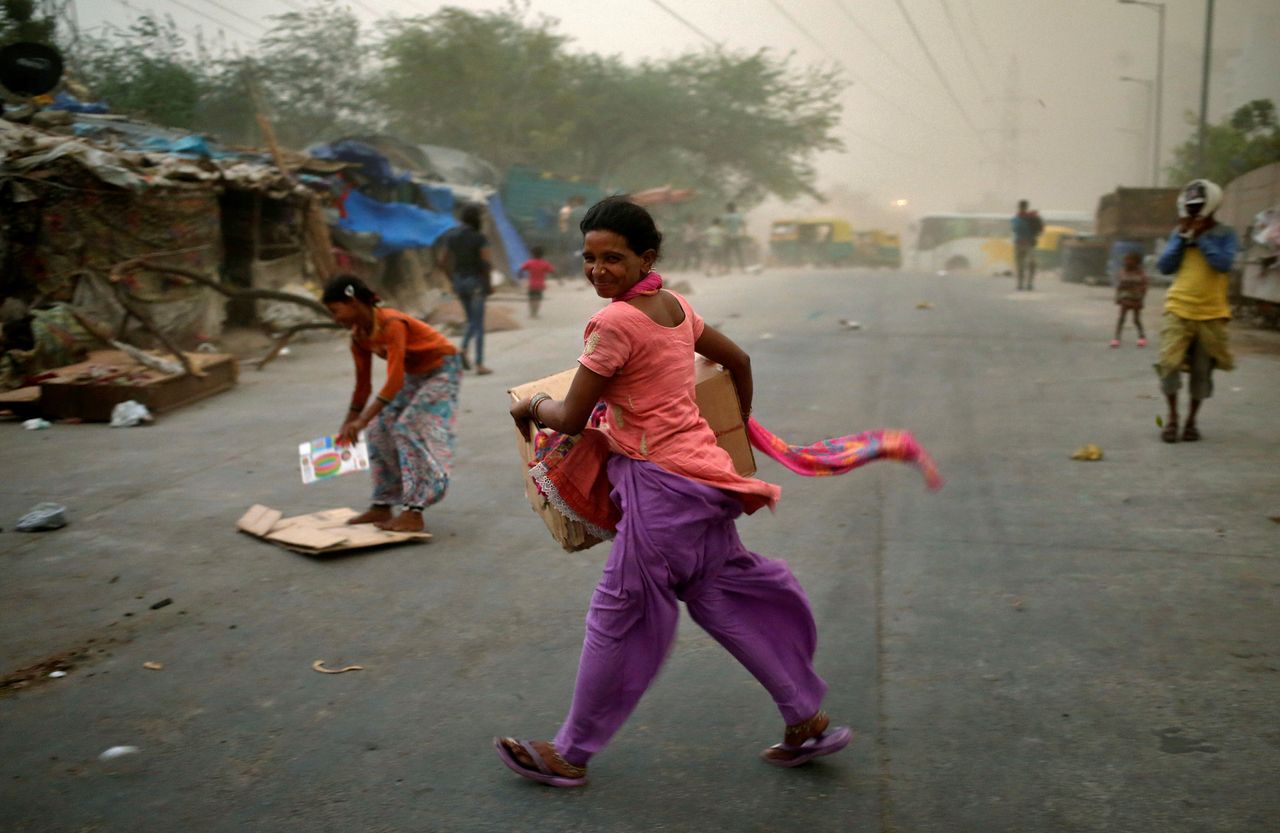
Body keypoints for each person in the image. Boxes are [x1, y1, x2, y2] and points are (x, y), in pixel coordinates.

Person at [497, 197, 852, 788]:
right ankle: (806, 719)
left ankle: (570, 753)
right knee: (722, 596)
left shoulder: (613, 323)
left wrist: (530, 405)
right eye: (588, 257)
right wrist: (737, 428)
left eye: (613, 258)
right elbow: (736, 359)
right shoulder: (675, 308)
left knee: (620, 614)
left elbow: (571, 414)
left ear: (647, 258)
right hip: (707, 478)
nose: (597, 270)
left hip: (661, 487)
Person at [322, 275, 461, 533]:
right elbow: (362, 386)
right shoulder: (359, 336)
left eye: (335, 310)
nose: (335, 318)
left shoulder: (392, 323)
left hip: (442, 369)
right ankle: (383, 502)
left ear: (352, 301)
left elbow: (394, 380)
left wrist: (361, 418)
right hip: (416, 374)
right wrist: (349, 422)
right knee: (378, 429)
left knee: (407, 428)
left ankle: (414, 512)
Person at [1154, 179, 1239, 443]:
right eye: (1190, 207)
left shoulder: (1226, 234)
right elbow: (1165, 266)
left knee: (1202, 372)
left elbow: (1223, 264)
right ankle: (1172, 419)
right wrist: (1182, 238)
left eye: (1198, 206)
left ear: (1211, 206)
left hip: (1212, 313)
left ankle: (1191, 422)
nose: (1193, 212)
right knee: (1169, 365)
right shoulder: (1178, 232)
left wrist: (1201, 239)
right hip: (1178, 307)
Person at [438, 204, 493, 375]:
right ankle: (477, 362)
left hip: (460, 281)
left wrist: (452, 280)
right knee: (478, 324)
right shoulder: (479, 238)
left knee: (470, 321)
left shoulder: (451, 237)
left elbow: (442, 262)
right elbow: (485, 263)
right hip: (476, 283)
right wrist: (488, 284)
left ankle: (463, 352)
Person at [1111, 250, 1148, 348]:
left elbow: (1144, 286)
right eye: (1126, 260)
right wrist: (1117, 297)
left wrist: (1141, 298)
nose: (1127, 262)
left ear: (1136, 262)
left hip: (1136, 299)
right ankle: (1116, 338)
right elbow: (1119, 286)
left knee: (1136, 320)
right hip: (1125, 298)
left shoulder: (1140, 273)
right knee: (1121, 319)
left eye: (1130, 260)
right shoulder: (1122, 272)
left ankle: (1142, 337)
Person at [1011, 199, 1044, 290]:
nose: (1022, 208)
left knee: (1026, 264)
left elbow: (1014, 229)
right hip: (1025, 243)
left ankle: (1025, 284)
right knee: (1025, 264)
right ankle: (1024, 284)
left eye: (1022, 206)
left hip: (1023, 243)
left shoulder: (1020, 218)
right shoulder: (1026, 217)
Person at [519, 245, 558, 319]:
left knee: (531, 299)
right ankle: (535, 313)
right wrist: (559, 279)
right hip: (540, 285)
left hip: (531, 284)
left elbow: (521, 269)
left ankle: (532, 312)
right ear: (542, 254)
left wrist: (520, 277)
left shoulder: (529, 262)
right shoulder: (544, 263)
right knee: (538, 299)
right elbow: (552, 271)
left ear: (532, 254)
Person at [722, 202, 746, 271]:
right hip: (736, 236)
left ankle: (727, 268)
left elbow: (723, 225)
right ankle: (742, 268)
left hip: (728, 236)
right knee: (738, 253)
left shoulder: (725, 216)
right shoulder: (738, 216)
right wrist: (744, 234)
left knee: (727, 253)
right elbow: (743, 224)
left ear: (728, 208)